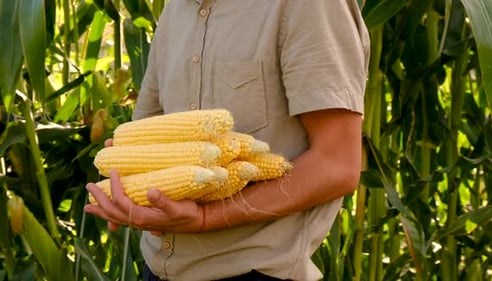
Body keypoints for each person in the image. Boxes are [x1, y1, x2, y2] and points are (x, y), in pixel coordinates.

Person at [85, 0, 370, 280]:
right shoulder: (176, 9)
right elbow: (146, 133)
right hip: (156, 269)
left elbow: (337, 167)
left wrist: (207, 218)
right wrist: (130, 189)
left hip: (255, 272)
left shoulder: (310, 6)